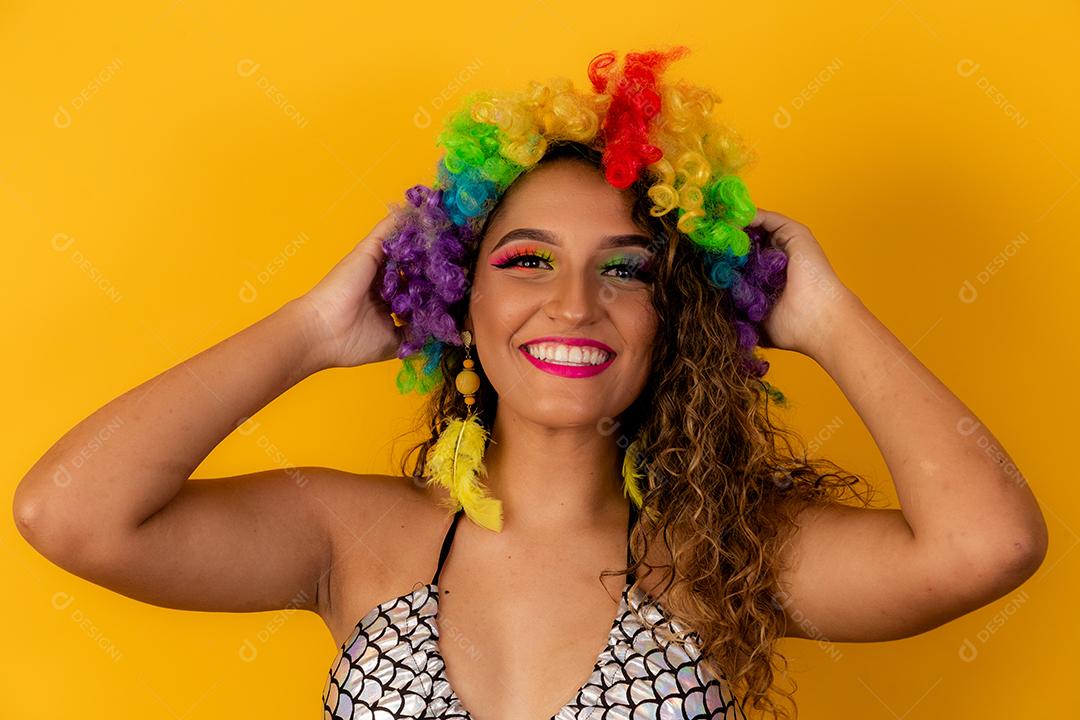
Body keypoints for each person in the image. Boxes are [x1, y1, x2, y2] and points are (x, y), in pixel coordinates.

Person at [13, 47, 1048, 720]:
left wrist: (825, 316)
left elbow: (987, 546)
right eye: (527, 261)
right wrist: (313, 329)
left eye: (627, 270)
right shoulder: (348, 536)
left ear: (674, 317)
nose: (574, 305)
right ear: (457, 300)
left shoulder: (727, 555)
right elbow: (69, 514)